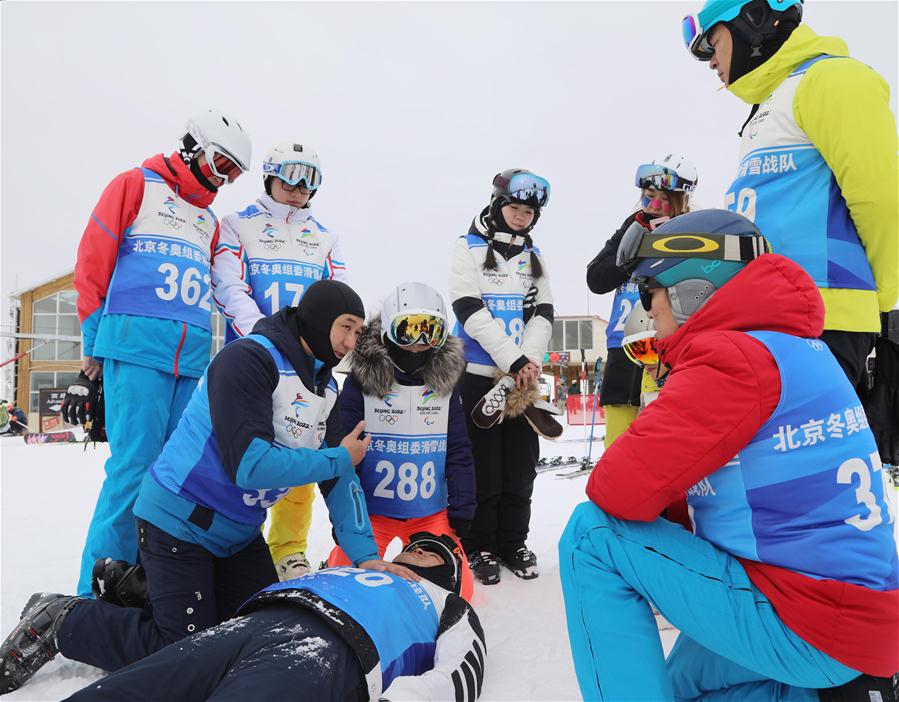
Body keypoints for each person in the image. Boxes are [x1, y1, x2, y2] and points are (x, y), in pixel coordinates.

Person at [0, 281, 416, 695]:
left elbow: (340, 479)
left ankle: (139, 593)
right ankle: (63, 619)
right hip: (179, 523)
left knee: (262, 635)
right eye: (345, 326)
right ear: (318, 317)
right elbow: (249, 465)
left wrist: (365, 556)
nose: (351, 340)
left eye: (359, 331)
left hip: (238, 534)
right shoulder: (249, 359)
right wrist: (338, 458)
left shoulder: (325, 387)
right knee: (187, 653)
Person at [559, 210, 899, 701]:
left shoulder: (732, 358)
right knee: (673, 688)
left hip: (806, 619)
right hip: (853, 623)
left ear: (691, 290)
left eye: (649, 291)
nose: (647, 311)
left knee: (590, 536)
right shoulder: (792, 347)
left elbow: (616, 489)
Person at [61, 109, 252, 596]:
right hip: (136, 350)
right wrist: (92, 341)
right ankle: (92, 593)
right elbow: (91, 262)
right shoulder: (135, 185)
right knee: (132, 468)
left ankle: (146, 581)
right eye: (218, 163)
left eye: (232, 172)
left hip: (188, 363)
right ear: (192, 146)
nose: (222, 178)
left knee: (173, 478)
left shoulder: (207, 220)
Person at [681, 0, 899, 394]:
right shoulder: (771, 104)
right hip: (767, 313)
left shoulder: (831, 78)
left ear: (755, 19)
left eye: (714, 43)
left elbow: (881, 200)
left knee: (798, 452)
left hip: (821, 315)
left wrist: (879, 299)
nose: (711, 61)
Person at [57, 533, 485, 702]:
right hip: (259, 618)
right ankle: (61, 620)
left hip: (331, 650)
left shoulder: (445, 603)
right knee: (133, 688)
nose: (417, 550)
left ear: (446, 574)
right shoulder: (360, 565)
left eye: (432, 552)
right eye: (415, 546)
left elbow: (461, 668)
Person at [212, 141, 349, 581]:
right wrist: (262, 337)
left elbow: (341, 295)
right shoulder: (237, 226)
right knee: (240, 451)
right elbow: (229, 286)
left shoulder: (325, 237)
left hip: (309, 365)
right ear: (270, 175)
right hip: (255, 359)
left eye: (310, 179)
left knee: (302, 451)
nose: (299, 188)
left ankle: (289, 548)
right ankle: (227, 543)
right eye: (290, 176)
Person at [326, 282, 477, 601]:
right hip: (372, 513)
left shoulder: (446, 385)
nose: (419, 343)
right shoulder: (361, 381)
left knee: (458, 592)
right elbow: (341, 448)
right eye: (409, 330)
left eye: (430, 331)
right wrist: (344, 516)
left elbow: (459, 449)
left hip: (428, 512)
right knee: (344, 590)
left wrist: (462, 506)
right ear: (389, 330)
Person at [449, 168, 554, 584]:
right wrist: (513, 359)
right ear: (497, 204)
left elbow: (543, 312)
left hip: (522, 379)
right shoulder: (467, 248)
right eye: (514, 206)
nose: (521, 215)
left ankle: (513, 542)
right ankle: (481, 545)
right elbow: (468, 310)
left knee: (521, 466)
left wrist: (527, 361)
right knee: (484, 467)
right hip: (479, 376)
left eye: (529, 211)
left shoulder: (534, 255)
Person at [586, 154, 697, 448]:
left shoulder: (695, 230)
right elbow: (595, 279)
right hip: (623, 349)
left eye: (665, 198)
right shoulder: (631, 227)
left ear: (683, 199)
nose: (655, 206)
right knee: (618, 447)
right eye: (649, 197)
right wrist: (631, 251)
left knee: (662, 442)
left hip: (667, 348)